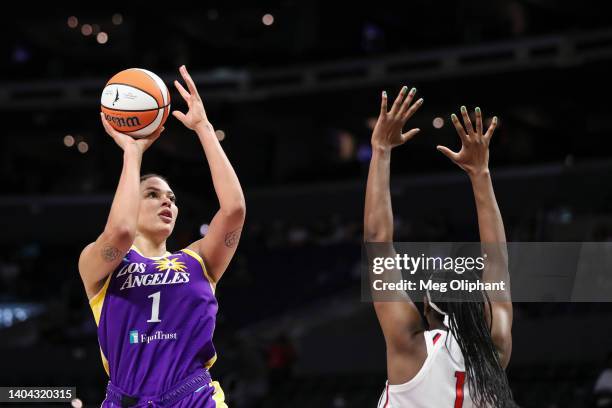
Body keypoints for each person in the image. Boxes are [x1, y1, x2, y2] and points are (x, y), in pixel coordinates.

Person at [78, 65, 245, 407]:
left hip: (193, 396)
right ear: (129, 203)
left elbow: (234, 211)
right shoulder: (99, 264)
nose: (167, 201)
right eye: (153, 194)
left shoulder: (199, 260)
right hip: (128, 399)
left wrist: (203, 128)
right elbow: (121, 231)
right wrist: (132, 153)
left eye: (171, 198)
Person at [363, 86, 515, 407]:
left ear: (427, 308)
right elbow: (498, 261)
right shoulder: (495, 348)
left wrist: (380, 149)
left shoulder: (410, 348)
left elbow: (378, 241)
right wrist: (481, 172)